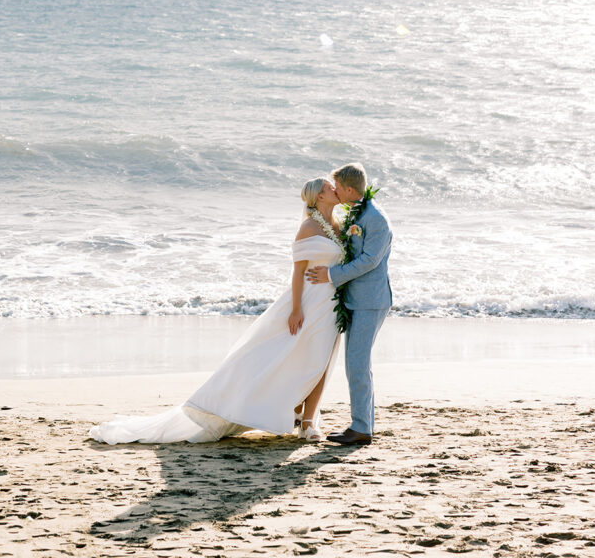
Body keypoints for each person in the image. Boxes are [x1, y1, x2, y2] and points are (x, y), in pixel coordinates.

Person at [89, 177, 343, 445]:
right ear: (319, 197)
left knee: (319, 361)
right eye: (329, 187)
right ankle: (294, 415)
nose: (334, 189)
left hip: (330, 305)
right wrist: (295, 309)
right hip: (306, 302)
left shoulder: (339, 227)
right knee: (282, 357)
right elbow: (298, 272)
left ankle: (306, 419)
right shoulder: (308, 227)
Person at [306, 162, 392, 446]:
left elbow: (369, 261)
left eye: (338, 188)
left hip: (370, 301)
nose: (335, 191)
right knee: (357, 363)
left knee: (356, 363)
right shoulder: (357, 212)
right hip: (355, 299)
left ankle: (361, 428)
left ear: (350, 189)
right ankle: (363, 425)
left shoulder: (376, 219)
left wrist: (331, 275)